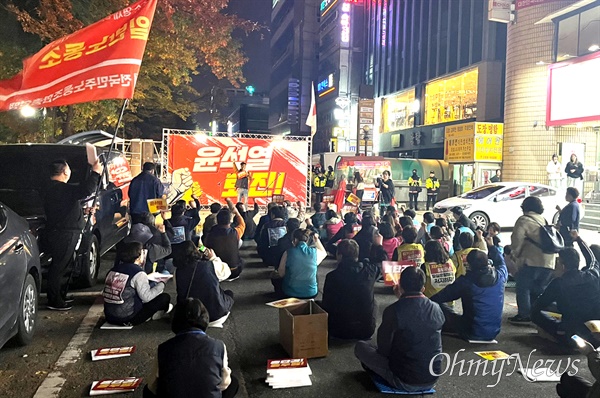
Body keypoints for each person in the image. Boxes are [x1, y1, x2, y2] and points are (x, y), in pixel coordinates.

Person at [354, 267, 444, 392]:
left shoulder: (394, 310)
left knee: (361, 347)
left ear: (400, 286)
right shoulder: (436, 308)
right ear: (423, 288)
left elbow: (383, 349)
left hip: (404, 380)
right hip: (433, 377)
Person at [144, 298, 239, 398]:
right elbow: (225, 382)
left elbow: (152, 386)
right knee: (233, 383)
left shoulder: (163, 348)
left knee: (147, 391)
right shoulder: (219, 346)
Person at [43, 158, 102, 310]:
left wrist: (84, 211)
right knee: (59, 267)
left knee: (66, 266)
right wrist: (95, 172)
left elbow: (64, 209)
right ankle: (55, 300)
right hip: (64, 233)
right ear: (64, 172)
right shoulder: (60, 188)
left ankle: (61, 295)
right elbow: (86, 190)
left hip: (64, 231)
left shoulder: (52, 188)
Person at [531, 231, 600, 347]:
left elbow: (538, 306)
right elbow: (592, 259)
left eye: (557, 262)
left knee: (535, 313)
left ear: (563, 266)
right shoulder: (592, 275)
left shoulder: (558, 283)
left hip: (571, 331)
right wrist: (578, 239)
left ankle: (559, 332)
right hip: (593, 327)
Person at [431, 245, 507, 341]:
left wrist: (424, 301)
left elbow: (441, 296)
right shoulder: (500, 276)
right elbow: (501, 263)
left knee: (439, 306)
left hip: (471, 331)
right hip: (494, 331)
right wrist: (492, 246)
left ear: (469, 265)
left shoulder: (466, 282)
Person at [509, 196, 556, 324]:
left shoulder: (523, 220)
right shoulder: (543, 220)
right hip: (549, 261)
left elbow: (516, 240)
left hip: (531, 261)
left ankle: (524, 314)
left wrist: (515, 254)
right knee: (538, 289)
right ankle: (536, 314)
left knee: (523, 287)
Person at [103, 242, 172, 325]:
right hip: (128, 318)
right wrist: (162, 283)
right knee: (164, 297)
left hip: (110, 317)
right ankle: (153, 315)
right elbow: (146, 297)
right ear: (138, 257)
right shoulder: (138, 273)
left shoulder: (113, 270)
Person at [321, 240, 379, 340]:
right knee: (375, 302)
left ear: (339, 255)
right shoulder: (371, 271)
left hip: (337, 331)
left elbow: (327, 304)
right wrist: (379, 245)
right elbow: (382, 261)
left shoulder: (331, 277)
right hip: (366, 330)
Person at [173, 242, 233, 323]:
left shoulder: (176, 272)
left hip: (190, 319)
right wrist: (213, 258)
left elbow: (178, 288)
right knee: (229, 293)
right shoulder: (210, 265)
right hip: (216, 315)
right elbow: (227, 273)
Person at [275, 229, 326, 299]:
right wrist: (316, 240)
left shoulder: (288, 252)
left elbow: (281, 273)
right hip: (311, 293)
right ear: (307, 240)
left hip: (290, 293)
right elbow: (324, 253)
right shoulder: (314, 252)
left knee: (276, 278)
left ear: (295, 240)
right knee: (314, 274)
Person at [203, 199, 246, 280]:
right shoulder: (236, 232)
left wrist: (201, 248)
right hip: (234, 272)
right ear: (230, 221)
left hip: (216, 272)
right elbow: (242, 224)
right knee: (241, 258)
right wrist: (236, 212)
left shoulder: (209, 234)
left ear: (217, 220)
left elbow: (204, 247)